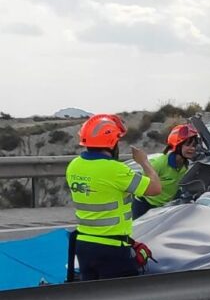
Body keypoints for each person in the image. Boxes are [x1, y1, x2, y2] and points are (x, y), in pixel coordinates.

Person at [66, 113, 161, 281]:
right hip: (112, 248)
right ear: (111, 142)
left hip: (83, 246)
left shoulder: (74, 166)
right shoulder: (115, 170)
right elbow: (155, 188)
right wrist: (144, 162)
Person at [132, 123, 199, 219]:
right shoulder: (159, 163)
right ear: (178, 145)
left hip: (164, 208)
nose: (192, 149)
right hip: (144, 206)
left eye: (194, 145)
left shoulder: (187, 166)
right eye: (188, 145)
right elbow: (142, 186)